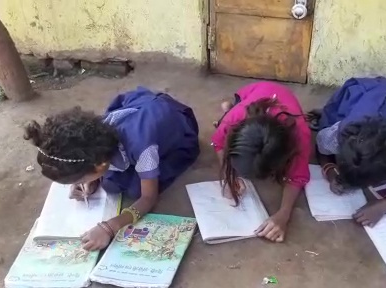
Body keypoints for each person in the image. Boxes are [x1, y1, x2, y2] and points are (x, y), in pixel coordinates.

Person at [24, 87, 200, 251]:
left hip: (179, 132)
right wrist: (92, 180)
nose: (80, 184)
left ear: (99, 165)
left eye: (80, 180)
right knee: (112, 183)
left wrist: (109, 227)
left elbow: (149, 197)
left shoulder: (143, 148)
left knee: (134, 189)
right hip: (148, 112)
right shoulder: (93, 135)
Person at [307, 77, 386, 227]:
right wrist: (330, 171)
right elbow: (321, 147)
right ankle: (324, 113)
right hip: (362, 94)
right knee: (327, 119)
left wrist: (385, 205)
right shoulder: (344, 131)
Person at [211, 81, 311, 242]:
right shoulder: (234, 120)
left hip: (280, 98)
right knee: (225, 122)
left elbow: (297, 177)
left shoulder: (300, 135)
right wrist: (228, 177)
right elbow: (218, 143)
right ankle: (228, 108)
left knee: (226, 119)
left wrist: (283, 214)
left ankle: (227, 108)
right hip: (252, 93)